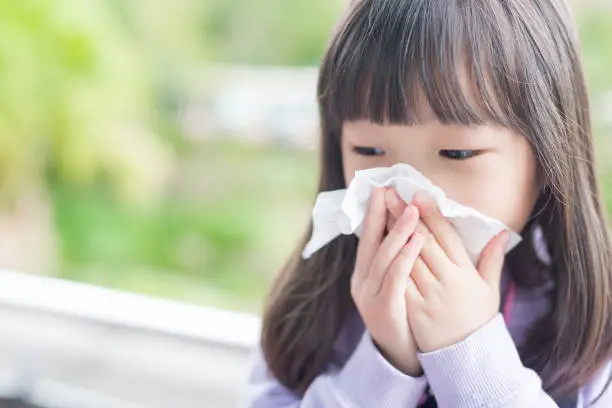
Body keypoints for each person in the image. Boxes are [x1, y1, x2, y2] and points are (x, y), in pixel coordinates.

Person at [246, 0, 612, 406]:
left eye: (456, 154)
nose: (412, 197)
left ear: (548, 157)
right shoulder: (311, 307)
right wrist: (385, 362)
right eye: (368, 149)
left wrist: (468, 354)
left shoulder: (594, 327)